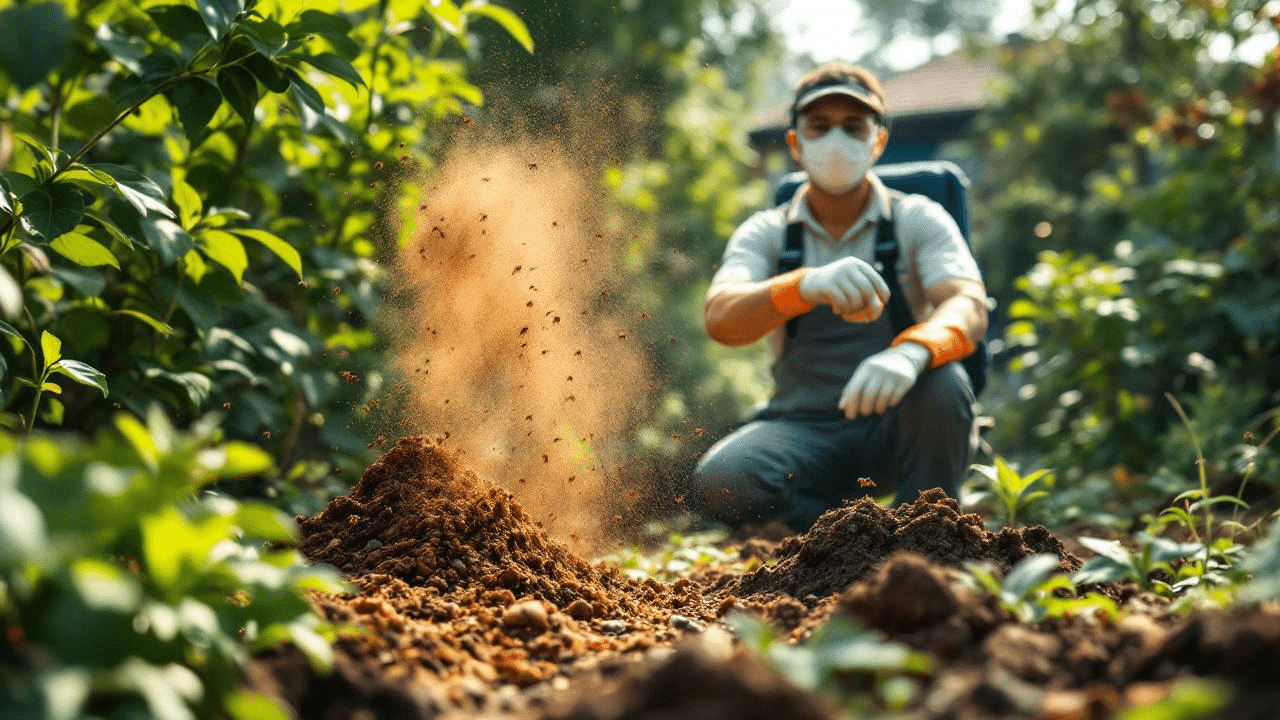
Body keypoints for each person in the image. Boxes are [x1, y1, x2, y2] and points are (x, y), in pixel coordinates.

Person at [691, 62, 988, 533]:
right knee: (723, 478)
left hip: (894, 426)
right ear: (796, 144)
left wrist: (913, 351)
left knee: (944, 384)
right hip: (801, 431)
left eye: (853, 127)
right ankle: (840, 539)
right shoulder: (767, 234)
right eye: (820, 126)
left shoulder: (918, 219)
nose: (836, 140)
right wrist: (802, 286)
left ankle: (926, 534)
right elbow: (721, 318)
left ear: (878, 141)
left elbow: (968, 304)